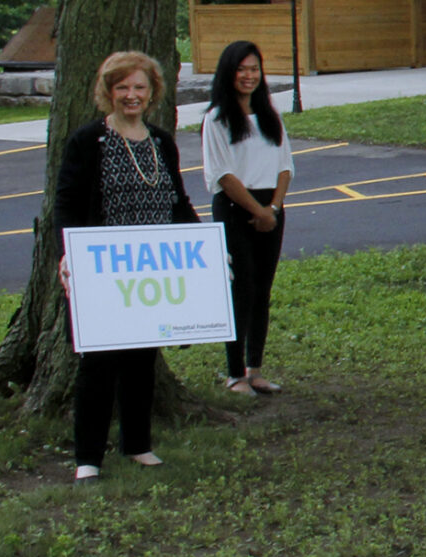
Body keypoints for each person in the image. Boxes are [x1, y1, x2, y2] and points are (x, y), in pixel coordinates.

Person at [54, 51, 199, 482]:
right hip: (104, 271)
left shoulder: (161, 142)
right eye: (122, 87)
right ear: (108, 92)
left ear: (152, 92)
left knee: (141, 359)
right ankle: (88, 458)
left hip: (151, 271)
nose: (131, 95)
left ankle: (137, 444)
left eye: (139, 87)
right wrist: (67, 254)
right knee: (98, 365)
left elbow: (178, 202)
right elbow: (66, 203)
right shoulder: (87, 141)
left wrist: (205, 246)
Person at [201, 40, 294, 396]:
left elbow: (285, 166)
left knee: (262, 290)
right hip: (236, 209)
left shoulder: (270, 116)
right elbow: (223, 176)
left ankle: (255, 368)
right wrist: (257, 211)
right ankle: (234, 373)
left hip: (271, 206)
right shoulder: (217, 120)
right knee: (241, 289)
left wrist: (272, 209)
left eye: (254, 69)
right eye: (241, 69)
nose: (248, 75)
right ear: (229, 73)